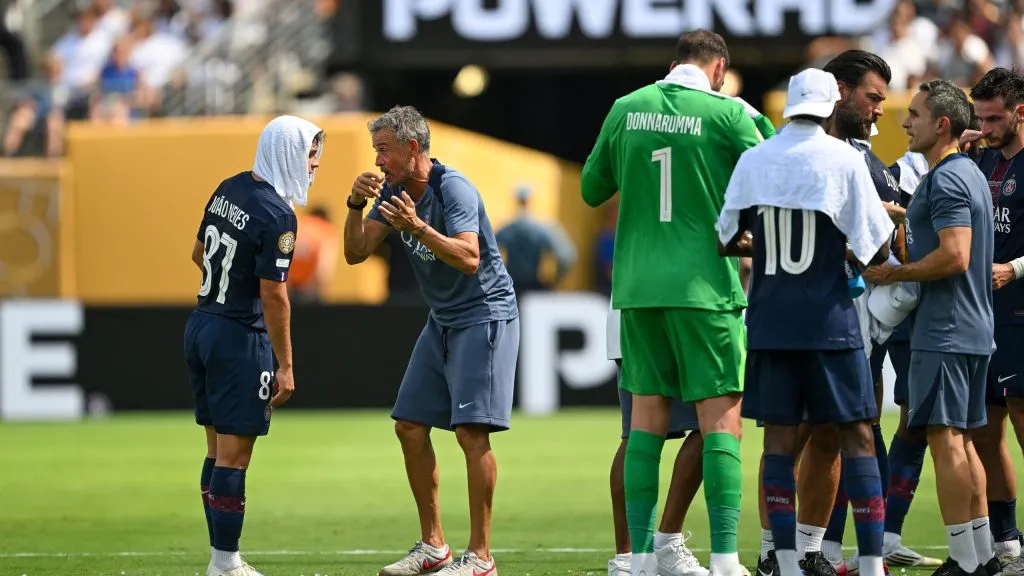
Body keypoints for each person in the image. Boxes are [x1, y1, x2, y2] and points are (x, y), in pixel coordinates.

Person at [581, 28, 759, 576]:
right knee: (720, 423)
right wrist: (755, 117)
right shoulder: (727, 115)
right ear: (719, 68)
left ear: (674, 61)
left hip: (637, 289)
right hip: (706, 288)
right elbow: (775, 166)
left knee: (645, 427)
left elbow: (591, 189)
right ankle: (725, 557)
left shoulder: (626, 107)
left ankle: (636, 559)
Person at [719, 67, 895, 576]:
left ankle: (787, 562)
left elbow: (725, 238)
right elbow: (875, 246)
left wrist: (767, 246)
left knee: (778, 441)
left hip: (771, 321)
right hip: (829, 321)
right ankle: (871, 565)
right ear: (828, 106)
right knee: (857, 434)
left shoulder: (754, 159)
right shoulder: (842, 159)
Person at [342, 105, 520, 576]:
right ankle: (434, 547)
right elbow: (357, 252)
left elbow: (469, 256)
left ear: (412, 148)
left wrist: (418, 227)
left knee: (470, 433)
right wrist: (355, 206)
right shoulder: (394, 193)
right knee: (409, 426)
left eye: (384, 150)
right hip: (442, 318)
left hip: (483, 314)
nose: (377, 161)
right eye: (376, 151)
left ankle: (481, 557)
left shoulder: (452, 187)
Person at [799, 50, 941, 576]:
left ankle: (840, 549)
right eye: (874, 97)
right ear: (839, 90)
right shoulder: (812, 154)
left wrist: (898, 216)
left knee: (850, 431)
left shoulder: (865, 157)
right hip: (824, 315)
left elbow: (887, 236)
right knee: (812, 435)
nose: (884, 109)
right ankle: (797, 548)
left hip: (865, 319)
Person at [864, 79, 995, 576]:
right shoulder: (969, 173)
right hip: (970, 328)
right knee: (962, 441)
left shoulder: (946, 178)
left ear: (942, 124)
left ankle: (962, 560)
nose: (904, 121)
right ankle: (983, 554)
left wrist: (894, 272)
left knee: (946, 444)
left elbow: (955, 255)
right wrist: (899, 215)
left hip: (945, 330)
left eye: (915, 114)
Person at [184, 115, 323, 576]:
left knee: (215, 450)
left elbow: (198, 251)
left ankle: (222, 560)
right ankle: (225, 564)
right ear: (287, 152)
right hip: (238, 337)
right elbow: (274, 294)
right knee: (234, 456)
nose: (315, 162)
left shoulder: (230, 187)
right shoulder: (277, 215)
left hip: (203, 322)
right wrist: (286, 364)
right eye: (310, 151)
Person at [965, 67, 1024, 576]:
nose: (985, 126)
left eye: (994, 118)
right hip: (984, 316)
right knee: (985, 430)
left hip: (1022, 314)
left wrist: (1016, 267)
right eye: (980, 117)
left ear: (1020, 112)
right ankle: (1008, 542)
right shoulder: (981, 158)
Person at [495, 185, 577, 295]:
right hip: (534, 289)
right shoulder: (543, 229)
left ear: (516, 201)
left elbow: (486, 254)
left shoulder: (507, 229)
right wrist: (554, 281)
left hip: (511, 288)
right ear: (531, 201)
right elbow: (567, 257)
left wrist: (496, 279)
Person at [287, 205, 339, 304]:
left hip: (287, 286)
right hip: (310, 289)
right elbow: (323, 268)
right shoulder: (326, 230)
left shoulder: (298, 224)